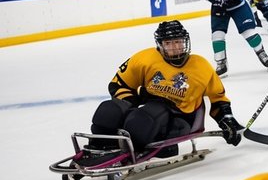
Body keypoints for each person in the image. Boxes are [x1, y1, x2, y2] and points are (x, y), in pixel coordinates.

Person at [85, 20, 243, 162]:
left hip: (180, 118)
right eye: (168, 43)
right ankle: (100, 145)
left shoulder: (201, 66)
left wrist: (228, 121)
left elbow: (218, 99)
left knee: (143, 117)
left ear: (185, 42)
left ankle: (133, 144)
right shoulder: (144, 58)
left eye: (178, 42)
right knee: (109, 109)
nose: (174, 47)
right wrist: (131, 104)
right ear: (160, 45)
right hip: (147, 107)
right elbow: (118, 85)